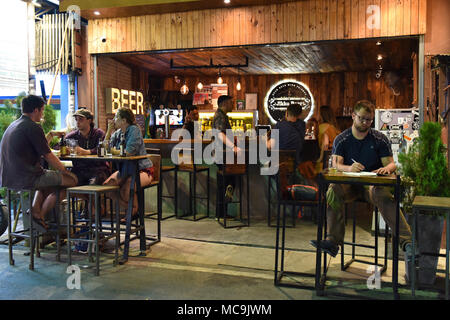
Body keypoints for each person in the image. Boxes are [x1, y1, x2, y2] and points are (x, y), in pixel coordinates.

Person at [310, 100, 414, 261]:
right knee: (333, 190)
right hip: (348, 186)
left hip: (371, 187)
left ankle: (407, 242)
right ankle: (332, 241)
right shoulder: (342, 139)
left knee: (382, 193)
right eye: (362, 118)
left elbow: (391, 163)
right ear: (353, 116)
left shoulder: (379, 139)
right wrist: (349, 168)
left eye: (369, 120)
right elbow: (336, 164)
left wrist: (387, 169)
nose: (366, 123)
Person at [0, 95, 78, 231]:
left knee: (54, 182)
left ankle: (36, 209)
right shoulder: (32, 127)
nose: (42, 114)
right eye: (42, 110)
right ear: (35, 110)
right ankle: (39, 214)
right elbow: (48, 155)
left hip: (10, 177)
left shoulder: (14, 125)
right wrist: (64, 171)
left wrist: (51, 135)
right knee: (72, 180)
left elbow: (40, 148)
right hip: (29, 177)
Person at [103, 107, 154, 216]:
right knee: (107, 187)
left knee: (127, 189)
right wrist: (108, 132)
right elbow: (104, 149)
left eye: (116, 117)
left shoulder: (134, 130)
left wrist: (112, 151)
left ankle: (132, 213)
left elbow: (129, 152)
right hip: (124, 170)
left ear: (124, 120)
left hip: (142, 169)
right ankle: (133, 208)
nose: (113, 120)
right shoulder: (118, 133)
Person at [61, 108, 110, 185]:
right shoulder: (72, 136)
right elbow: (58, 146)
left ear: (89, 120)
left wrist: (86, 152)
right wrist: (66, 150)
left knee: (94, 183)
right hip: (79, 170)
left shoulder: (98, 134)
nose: (77, 122)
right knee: (65, 182)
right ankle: (83, 197)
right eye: (76, 120)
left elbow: (104, 149)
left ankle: (90, 196)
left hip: (98, 169)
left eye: (81, 119)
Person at [266, 103, 305, 196]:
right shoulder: (302, 125)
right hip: (295, 164)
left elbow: (270, 146)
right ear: (299, 115)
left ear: (287, 113)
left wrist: (265, 140)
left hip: (279, 165)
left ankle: (275, 195)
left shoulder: (279, 125)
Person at [211, 95, 241, 218]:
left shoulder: (221, 115)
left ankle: (221, 212)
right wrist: (232, 147)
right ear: (225, 103)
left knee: (227, 182)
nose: (233, 105)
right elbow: (219, 134)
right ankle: (221, 213)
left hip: (222, 154)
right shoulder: (220, 116)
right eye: (231, 102)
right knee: (228, 182)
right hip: (221, 154)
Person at [315, 105, 340, 174]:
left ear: (322, 115)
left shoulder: (323, 127)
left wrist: (320, 158)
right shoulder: (334, 127)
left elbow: (325, 144)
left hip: (327, 160)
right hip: (336, 158)